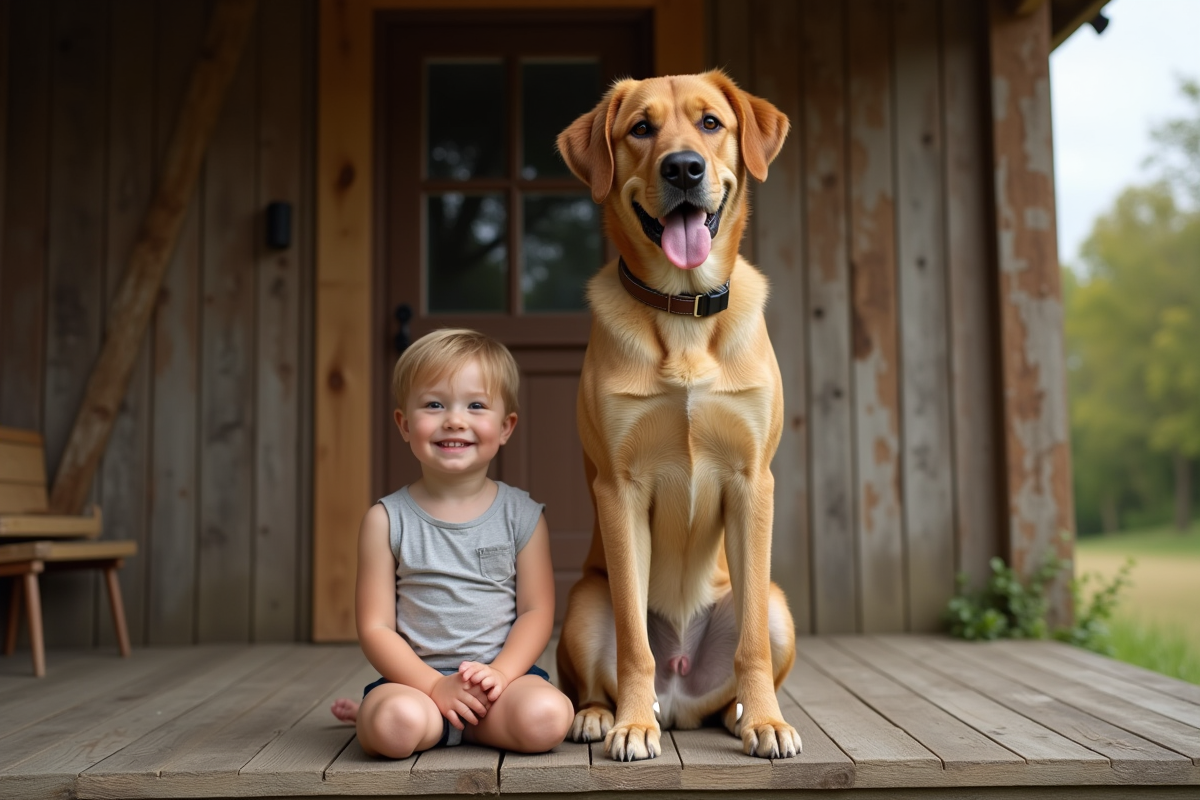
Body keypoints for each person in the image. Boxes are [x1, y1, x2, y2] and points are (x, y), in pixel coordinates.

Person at [330, 328, 574, 758]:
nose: (454, 419)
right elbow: (376, 627)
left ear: (505, 427)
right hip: (417, 686)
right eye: (434, 404)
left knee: (548, 716)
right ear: (405, 425)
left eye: (475, 405)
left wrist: (501, 673)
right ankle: (382, 710)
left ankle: (477, 725)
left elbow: (537, 612)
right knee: (393, 726)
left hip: (500, 685)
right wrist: (435, 686)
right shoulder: (386, 520)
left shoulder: (523, 516)